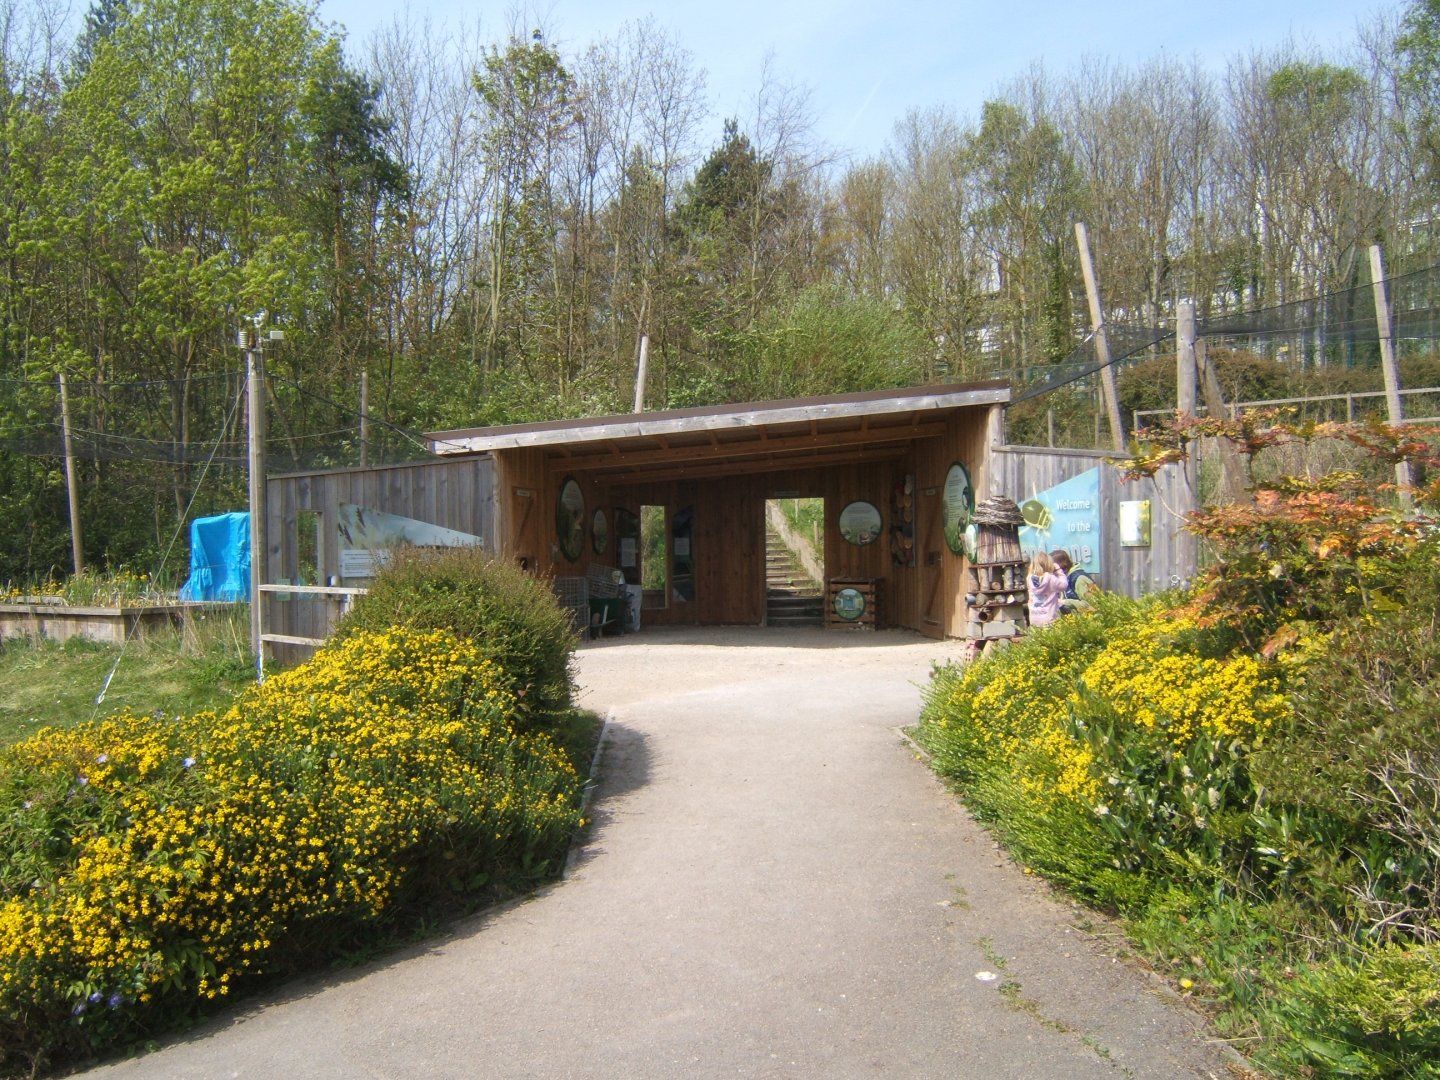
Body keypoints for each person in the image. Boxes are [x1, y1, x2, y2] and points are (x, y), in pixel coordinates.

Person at [1026, 550, 1068, 627]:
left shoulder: (1029, 578)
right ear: (1049, 564)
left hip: (1034, 619)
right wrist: (1058, 570)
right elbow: (1064, 585)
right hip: (1050, 619)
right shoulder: (1050, 578)